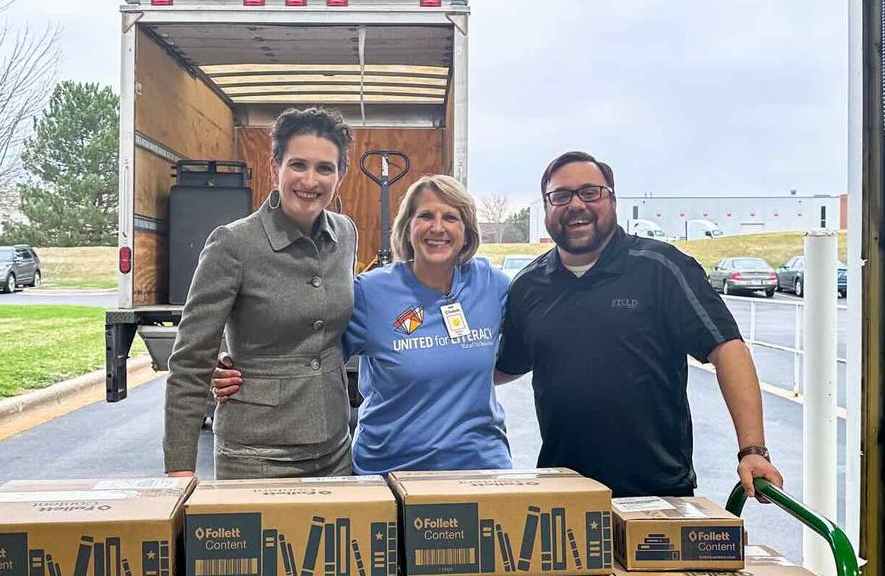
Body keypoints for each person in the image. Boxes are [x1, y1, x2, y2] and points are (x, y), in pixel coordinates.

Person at [496, 150, 784, 500]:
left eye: (590, 192)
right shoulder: (529, 285)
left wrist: (752, 450)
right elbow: (504, 365)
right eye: (560, 196)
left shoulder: (662, 268)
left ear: (612, 200)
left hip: (658, 493)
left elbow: (727, 350)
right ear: (545, 207)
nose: (576, 204)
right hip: (564, 493)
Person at [213, 175, 512, 473]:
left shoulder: (492, 285)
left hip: (481, 466)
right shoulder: (371, 293)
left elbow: (526, 348)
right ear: (407, 227)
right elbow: (306, 354)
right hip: (391, 469)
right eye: (425, 216)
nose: (437, 227)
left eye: (450, 217)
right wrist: (239, 371)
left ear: (467, 231)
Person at [163, 107, 357, 478]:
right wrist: (179, 468)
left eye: (325, 168)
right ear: (274, 168)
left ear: (341, 175)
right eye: (298, 164)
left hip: (335, 450)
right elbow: (190, 360)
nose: (310, 180)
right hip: (255, 455)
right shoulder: (232, 244)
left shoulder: (345, 234)